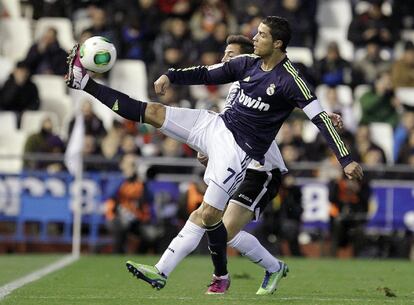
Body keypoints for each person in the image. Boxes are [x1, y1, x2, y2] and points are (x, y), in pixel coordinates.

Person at [65, 16, 363, 294]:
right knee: (152, 112)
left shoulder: (291, 80)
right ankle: (85, 83)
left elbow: (319, 118)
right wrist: (170, 75)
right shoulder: (246, 64)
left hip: (240, 152)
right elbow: (206, 73)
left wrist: (346, 159)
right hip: (215, 126)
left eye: (260, 35)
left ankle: (171, 271)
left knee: (208, 215)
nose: (254, 38)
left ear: (278, 44)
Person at [105, 153, 153, 253]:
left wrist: (143, 182)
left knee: (150, 234)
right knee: (123, 225)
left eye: (133, 164)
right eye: (129, 164)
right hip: (117, 217)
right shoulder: (116, 179)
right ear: (122, 165)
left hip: (136, 218)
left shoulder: (139, 182)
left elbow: (149, 199)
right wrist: (125, 177)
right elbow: (110, 194)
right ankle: (117, 255)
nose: (132, 167)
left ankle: (138, 257)